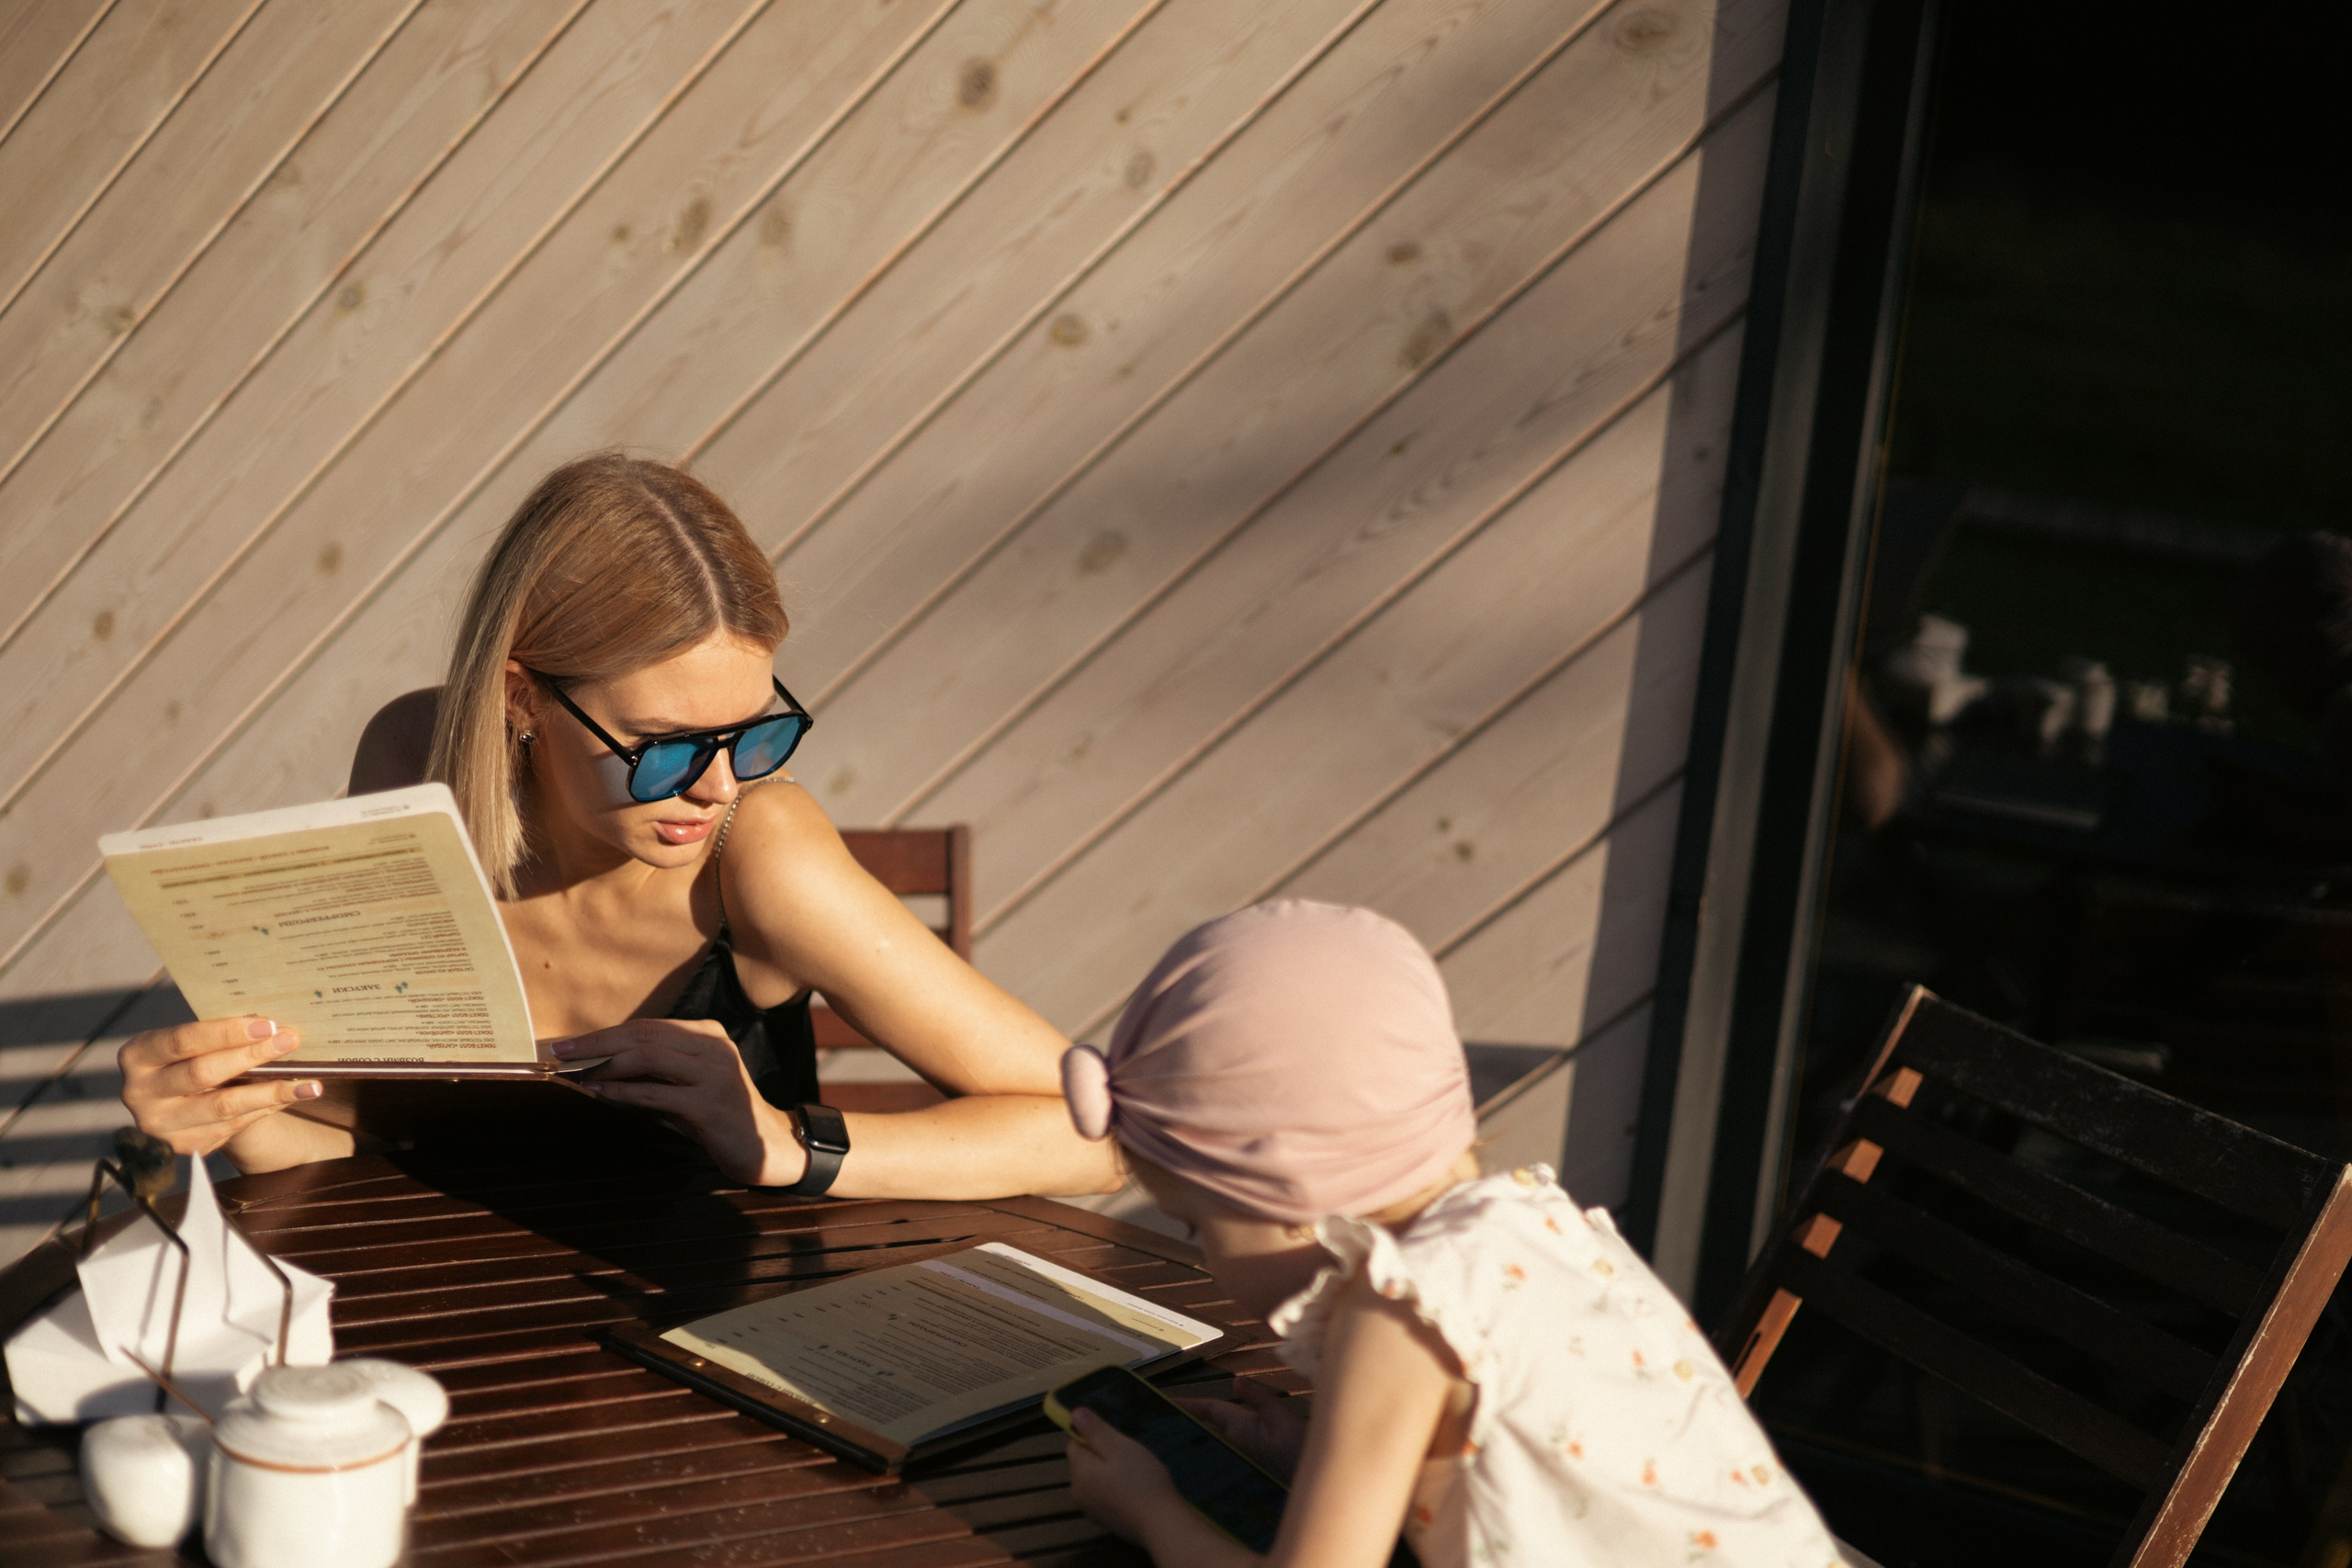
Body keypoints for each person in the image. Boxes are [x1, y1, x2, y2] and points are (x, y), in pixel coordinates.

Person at [117, 453, 1121, 1201]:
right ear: (519, 697)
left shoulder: (756, 854)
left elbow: (1097, 1140)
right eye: (667, 745)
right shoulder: (413, 769)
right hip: (467, 1318)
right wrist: (236, 1118)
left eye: (753, 733)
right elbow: (375, 1147)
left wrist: (785, 1141)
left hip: (718, 1340)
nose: (719, 786)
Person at [1057, 901, 1844, 1568]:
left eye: (1198, 1224)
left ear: (1284, 1192)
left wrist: (1152, 1513)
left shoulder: (1396, 1315)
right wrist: (1323, 1461)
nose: (1204, 1253)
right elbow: (1541, 1463)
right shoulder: (1538, 1225)